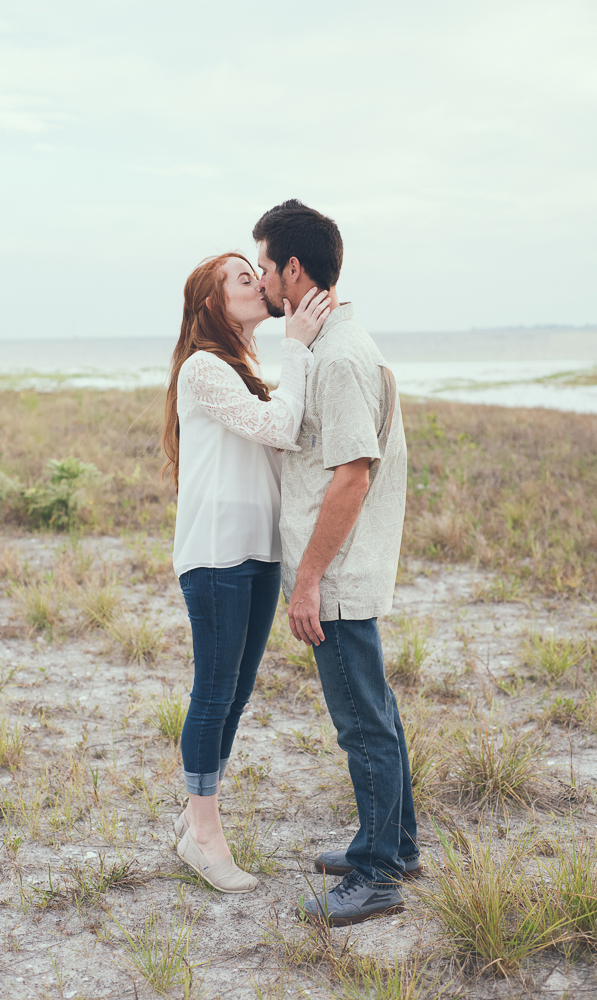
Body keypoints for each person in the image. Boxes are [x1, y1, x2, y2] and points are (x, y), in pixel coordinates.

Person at [253, 200, 420, 926]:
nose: (258, 280)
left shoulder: (342, 358)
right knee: (374, 713)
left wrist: (309, 580)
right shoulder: (332, 344)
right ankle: (394, 846)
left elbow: (353, 473)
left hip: (340, 578)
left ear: (293, 269)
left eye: (262, 266)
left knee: (361, 725)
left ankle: (378, 875)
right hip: (341, 572)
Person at [162, 252, 330, 893]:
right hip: (217, 554)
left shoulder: (246, 366)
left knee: (234, 694)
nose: (258, 282)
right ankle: (205, 837)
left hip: (259, 552)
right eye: (241, 278)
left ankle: (191, 819)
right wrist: (299, 348)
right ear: (211, 304)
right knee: (213, 693)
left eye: (254, 272)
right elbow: (281, 428)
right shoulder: (204, 367)